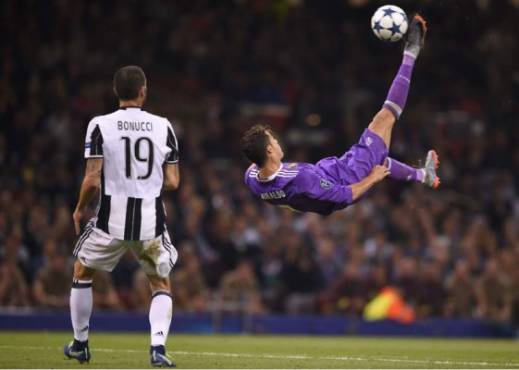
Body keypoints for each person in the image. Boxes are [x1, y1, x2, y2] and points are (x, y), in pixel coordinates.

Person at [241, 16, 439, 216]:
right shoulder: (301, 178)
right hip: (350, 179)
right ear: (268, 150)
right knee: (385, 117)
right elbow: (346, 196)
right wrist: (373, 178)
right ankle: (411, 51)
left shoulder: (252, 178)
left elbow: (257, 161)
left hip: (332, 171)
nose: (277, 141)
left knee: (379, 156)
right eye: (273, 140)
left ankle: (424, 175)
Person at [64, 66, 180, 367]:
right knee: (160, 283)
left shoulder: (100, 125)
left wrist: (79, 209)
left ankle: (80, 343)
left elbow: (92, 179)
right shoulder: (163, 126)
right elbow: (173, 182)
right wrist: (146, 182)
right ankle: (157, 348)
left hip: (110, 221)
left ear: (116, 92)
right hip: (150, 221)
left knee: (82, 272)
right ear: (144, 91)